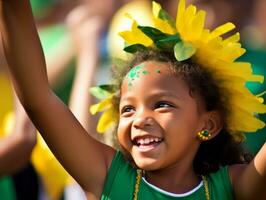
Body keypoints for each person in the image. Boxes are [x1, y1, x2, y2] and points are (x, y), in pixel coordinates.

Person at [1, 0, 266, 200]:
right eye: (127, 109)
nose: (140, 119)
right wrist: (13, 8)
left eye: (162, 104)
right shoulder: (107, 176)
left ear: (209, 123)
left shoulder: (231, 187)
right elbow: (38, 97)